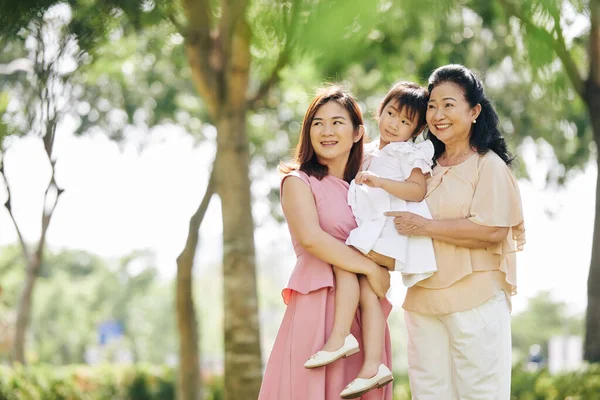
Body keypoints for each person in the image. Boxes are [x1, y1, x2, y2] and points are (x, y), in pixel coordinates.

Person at [383, 64, 525, 399]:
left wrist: (426, 228)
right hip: (423, 301)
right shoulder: (421, 166)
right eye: (432, 105)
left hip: (475, 299)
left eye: (449, 104)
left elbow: (491, 230)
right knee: (428, 393)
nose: (437, 114)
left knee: (480, 393)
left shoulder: (487, 164)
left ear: (474, 111)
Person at [258, 85, 393, 400]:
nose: (326, 131)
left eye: (337, 122)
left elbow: (393, 241)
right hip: (318, 303)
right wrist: (371, 269)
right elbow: (313, 239)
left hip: (365, 313)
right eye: (317, 123)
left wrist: (380, 270)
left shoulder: (368, 192)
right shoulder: (298, 181)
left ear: (358, 133)